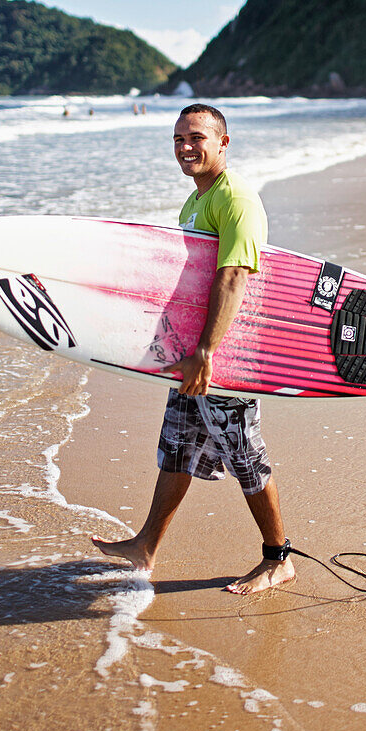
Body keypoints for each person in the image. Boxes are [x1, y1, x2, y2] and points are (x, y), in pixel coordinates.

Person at [92, 104, 295, 594]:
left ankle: (278, 558)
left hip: (226, 355)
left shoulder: (236, 199)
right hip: (194, 352)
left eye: (197, 137)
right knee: (178, 448)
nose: (186, 147)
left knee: (245, 451)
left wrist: (206, 351)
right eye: (178, 138)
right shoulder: (194, 202)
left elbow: (234, 276)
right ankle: (145, 545)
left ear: (224, 142)